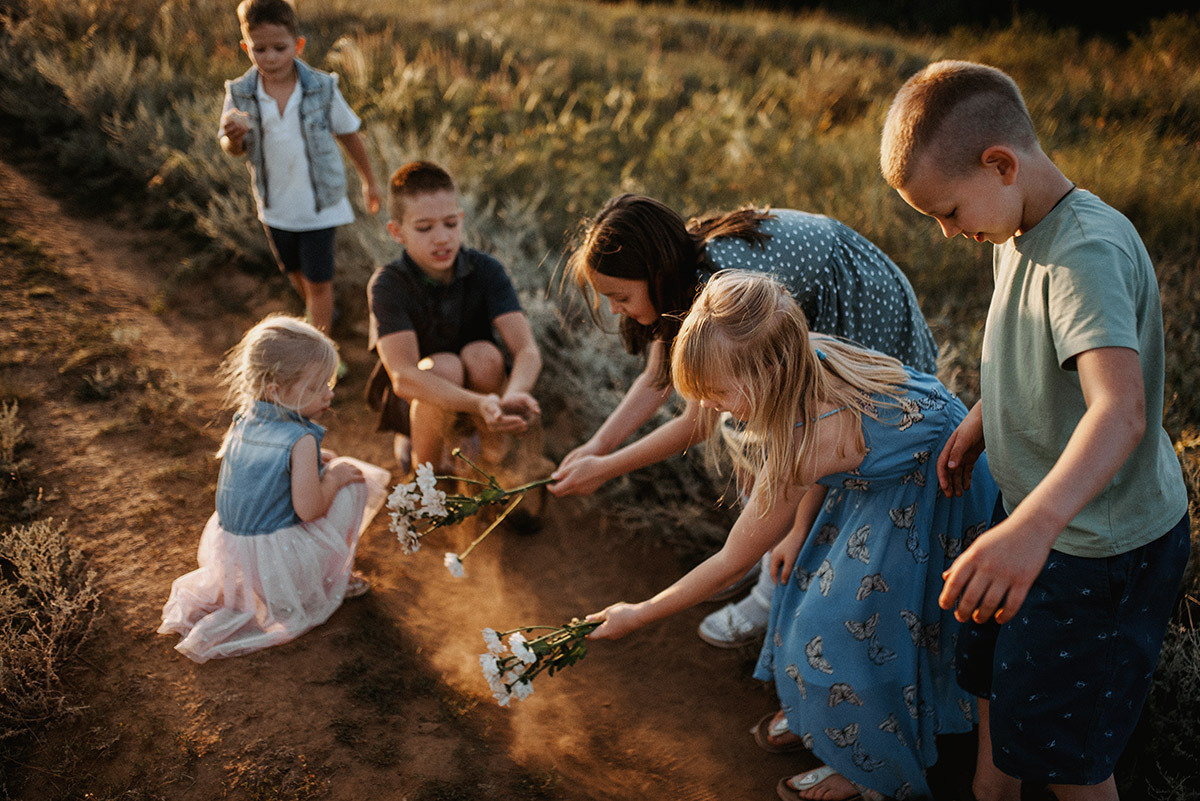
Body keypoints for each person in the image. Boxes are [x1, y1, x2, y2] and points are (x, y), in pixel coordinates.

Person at [880, 60, 1190, 801]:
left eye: (948, 211)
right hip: (1038, 516)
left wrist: (1034, 528)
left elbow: (1120, 410)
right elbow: (1033, 352)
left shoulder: (1084, 253)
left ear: (1000, 163)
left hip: (1095, 546)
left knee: (1065, 754)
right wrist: (984, 420)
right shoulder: (1014, 225)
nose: (949, 232)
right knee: (999, 685)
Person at [588, 270, 998, 800]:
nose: (709, 406)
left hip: (935, 492)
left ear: (769, 372)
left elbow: (734, 559)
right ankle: (826, 716)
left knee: (851, 628)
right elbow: (827, 456)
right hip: (888, 480)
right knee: (802, 576)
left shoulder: (812, 443)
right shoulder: (799, 352)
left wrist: (639, 613)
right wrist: (796, 528)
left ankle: (871, 765)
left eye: (717, 392)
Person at [549, 194, 939, 648]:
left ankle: (770, 584)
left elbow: (698, 423)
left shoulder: (718, 292)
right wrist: (596, 448)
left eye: (620, 297)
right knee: (758, 429)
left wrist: (606, 468)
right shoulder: (681, 275)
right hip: (813, 299)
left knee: (785, 439)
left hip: (858, 294)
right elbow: (657, 381)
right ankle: (760, 549)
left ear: (654, 273)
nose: (615, 309)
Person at [159, 316, 390, 663]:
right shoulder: (301, 438)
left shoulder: (244, 419)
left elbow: (262, 473)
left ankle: (282, 581)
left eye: (328, 383)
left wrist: (313, 464)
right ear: (276, 391)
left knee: (328, 469)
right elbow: (310, 510)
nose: (329, 394)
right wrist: (334, 477)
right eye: (315, 387)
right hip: (278, 565)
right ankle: (328, 580)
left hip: (234, 555)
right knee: (354, 480)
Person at [219, 0, 382, 342]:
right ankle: (320, 314)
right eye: (259, 49)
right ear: (246, 47)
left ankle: (321, 350)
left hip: (319, 207)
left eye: (280, 48)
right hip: (275, 207)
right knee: (296, 274)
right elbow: (232, 148)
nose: (270, 57)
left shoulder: (322, 88)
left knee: (319, 283)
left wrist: (370, 181)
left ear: (298, 45)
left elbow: (349, 134)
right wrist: (233, 138)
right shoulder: (240, 93)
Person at [365, 161, 542, 474]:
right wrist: (479, 403)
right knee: (443, 367)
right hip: (424, 400)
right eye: (424, 228)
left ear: (460, 219)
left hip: (484, 397)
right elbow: (403, 377)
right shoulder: (388, 284)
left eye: (450, 224)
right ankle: (428, 474)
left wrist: (514, 394)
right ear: (397, 232)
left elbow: (527, 350)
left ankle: (493, 455)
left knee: (483, 356)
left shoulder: (485, 269)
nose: (442, 238)